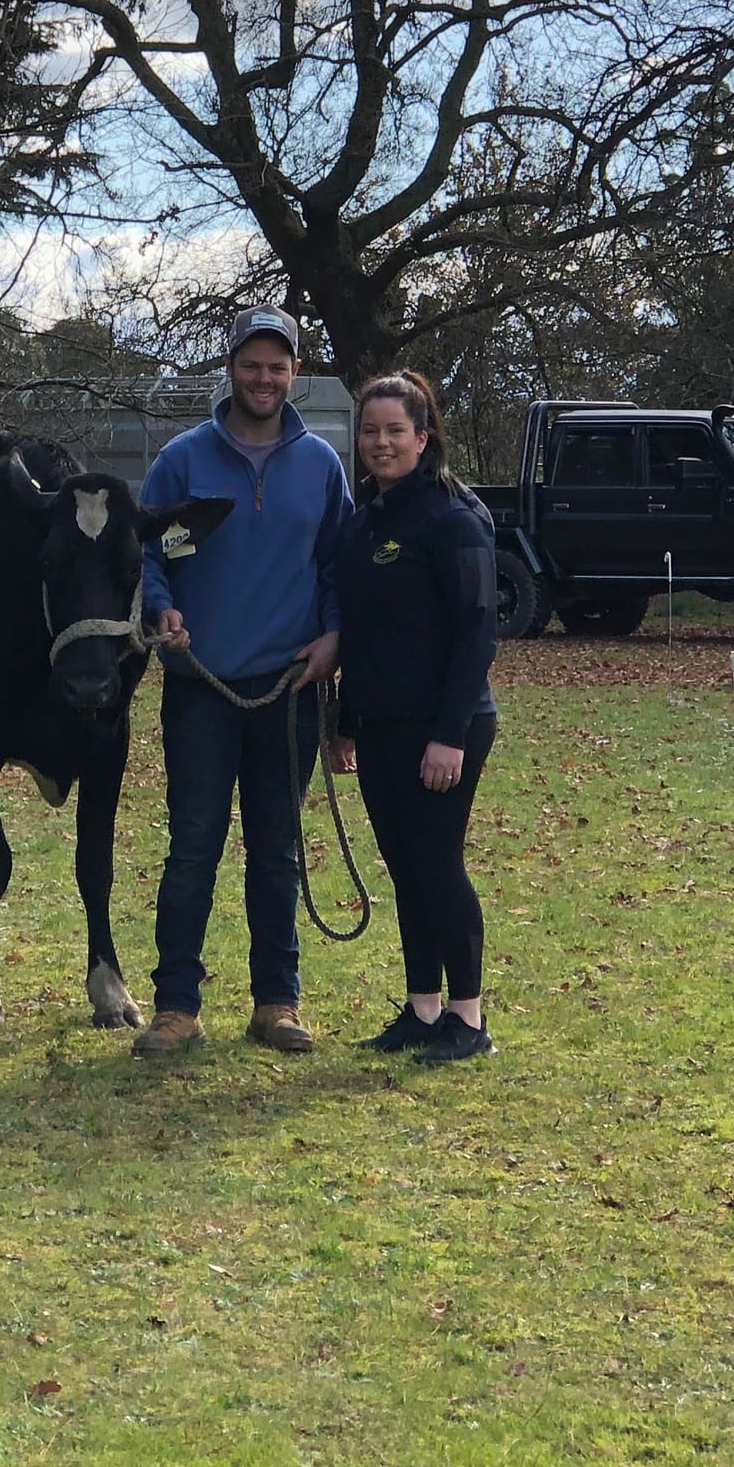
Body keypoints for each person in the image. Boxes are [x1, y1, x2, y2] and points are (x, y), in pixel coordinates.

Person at [130, 306, 353, 1057]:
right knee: (193, 845)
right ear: (231, 367)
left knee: (277, 848)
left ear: (295, 371)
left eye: (278, 365)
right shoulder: (184, 462)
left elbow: (336, 566)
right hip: (200, 687)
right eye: (252, 363)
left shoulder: (321, 466)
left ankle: (276, 1001)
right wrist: (161, 608)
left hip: (287, 689)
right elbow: (153, 553)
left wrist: (333, 637)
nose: (265, 377)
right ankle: (176, 1006)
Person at [327, 370, 499, 1065]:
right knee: (404, 865)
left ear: (424, 437)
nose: (381, 442)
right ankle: (423, 1007)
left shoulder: (454, 517)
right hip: (377, 724)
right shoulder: (363, 522)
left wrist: (449, 733)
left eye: (396, 430)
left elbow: (478, 630)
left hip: (442, 726)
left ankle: (469, 1017)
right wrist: (342, 722)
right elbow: (357, 634)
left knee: (437, 861)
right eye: (370, 430)